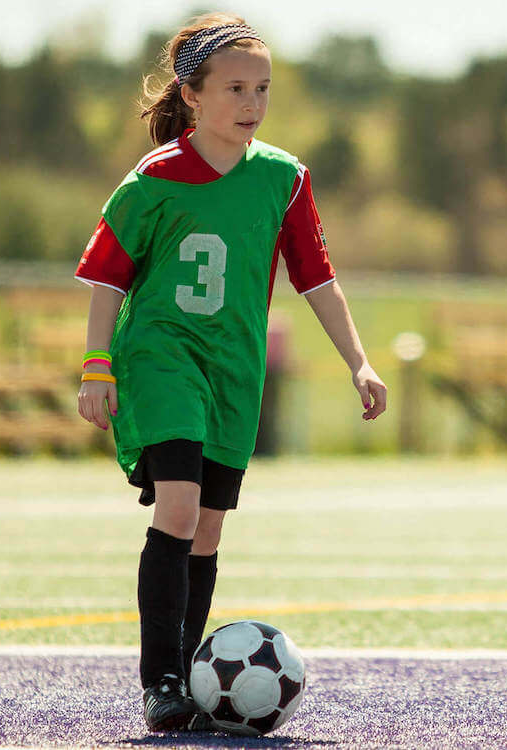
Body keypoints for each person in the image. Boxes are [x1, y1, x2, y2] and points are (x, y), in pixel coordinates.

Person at [75, 12, 387, 733]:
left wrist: (360, 361)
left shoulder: (284, 178)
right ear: (191, 94)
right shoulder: (152, 182)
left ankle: (188, 676)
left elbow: (318, 282)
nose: (252, 104)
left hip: (234, 373)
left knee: (208, 530)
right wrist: (98, 367)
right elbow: (106, 283)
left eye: (263, 90)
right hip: (161, 359)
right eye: (236, 88)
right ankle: (159, 684)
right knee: (178, 507)